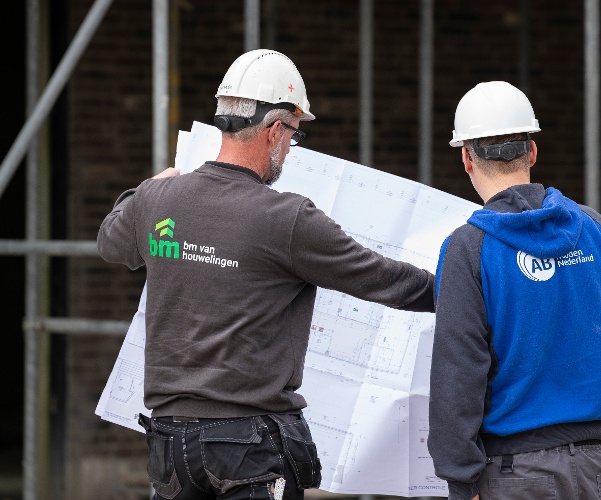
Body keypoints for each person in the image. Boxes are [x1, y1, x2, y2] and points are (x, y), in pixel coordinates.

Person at [97, 49, 435, 500]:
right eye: (293, 135)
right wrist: (473, 286)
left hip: (170, 443)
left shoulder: (156, 201)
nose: (290, 149)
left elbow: (110, 242)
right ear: (275, 130)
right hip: (248, 448)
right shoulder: (287, 219)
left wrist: (147, 188)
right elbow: (385, 279)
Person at [427, 81, 601, 500]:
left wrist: (461, 478)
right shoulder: (596, 229)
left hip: (512, 474)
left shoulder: (469, 248)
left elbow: (457, 374)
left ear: (466, 158)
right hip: (596, 468)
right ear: (532, 151)